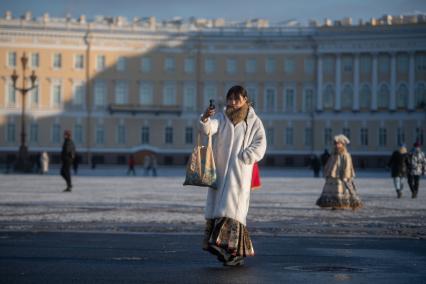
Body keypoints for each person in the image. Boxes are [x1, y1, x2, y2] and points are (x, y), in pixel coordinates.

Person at [199, 85, 267, 267]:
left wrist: (247, 156)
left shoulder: (252, 121)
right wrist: (206, 117)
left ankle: (233, 252)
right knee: (220, 209)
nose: (233, 102)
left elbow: (261, 143)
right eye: (230, 98)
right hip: (220, 172)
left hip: (239, 173)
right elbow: (208, 130)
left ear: (245, 99)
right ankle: (226, 251)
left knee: (233, 211)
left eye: (237, 99)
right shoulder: (222, 117)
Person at [316, 134, 362, 210]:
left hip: (341, 176)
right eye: (335, 144)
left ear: (343, 144)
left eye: (338, 143)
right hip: (332, 176)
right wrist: (326, 172)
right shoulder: (333, 154)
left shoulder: (346, 155)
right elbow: (329, 164)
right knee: (332, 190)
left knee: (341, 189)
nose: (336, 145)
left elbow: (348, 166)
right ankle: (334, 203)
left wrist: (346, 175)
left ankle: (342, 203)